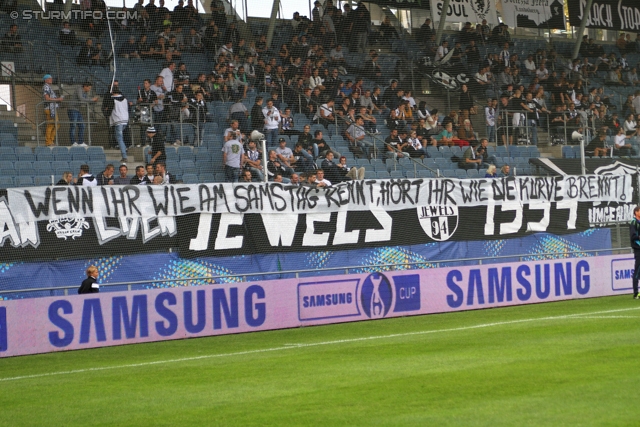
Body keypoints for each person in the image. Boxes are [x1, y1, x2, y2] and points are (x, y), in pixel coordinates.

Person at [67, 82, 99, 147]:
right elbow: (81, 99)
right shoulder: (79, 89)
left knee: (82, 126)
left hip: (77, 109)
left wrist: (93, 101)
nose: (89, 89)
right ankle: (73, 142)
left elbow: (86, 101)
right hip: (72, 109)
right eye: (89, 88)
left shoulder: (85, 93)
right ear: (85, 86)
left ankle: (80, 142)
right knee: (73, 125)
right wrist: (91, 100)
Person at [109, 89, 131, 163]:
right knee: (118, 137)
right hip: (125, 120)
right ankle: (124, 147)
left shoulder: (112, 100)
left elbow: (109, 110)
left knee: (119, 138)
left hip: (118, 120)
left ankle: (124, 156)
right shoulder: (125, 99)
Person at [42, 74, 63, 147]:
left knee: (57, 124)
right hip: (50, 109)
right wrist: (58, 99)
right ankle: (48, 142)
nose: (51, 79)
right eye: (49, 78)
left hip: (53, 108)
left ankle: (51, 140)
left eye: (51, 78)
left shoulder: (49, 87)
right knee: (50, 125)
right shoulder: (46, 87)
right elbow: (47, 98)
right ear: (46, 80)